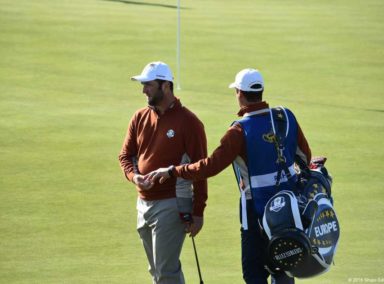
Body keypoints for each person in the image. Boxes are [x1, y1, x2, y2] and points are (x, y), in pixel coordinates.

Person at [145, 68, 312, 284]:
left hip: (256, 212)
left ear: (240, 93)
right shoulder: (285, 117)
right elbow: (305, 157)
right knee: (284, 266)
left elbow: (209, 167)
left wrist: (173, 171)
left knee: (254, 273)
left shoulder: (239, 131)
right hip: (289, 208)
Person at [118, 61, 208, 284]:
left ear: (165, 86)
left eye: (148, 85)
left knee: (165, 270)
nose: (143, 90)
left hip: (172, 202)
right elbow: (126, 156)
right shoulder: (139, 117)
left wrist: (198, 212)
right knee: (156, 270)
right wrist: (134, 176)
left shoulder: (189, 122)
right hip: (143, 203)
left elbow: (200, 169)